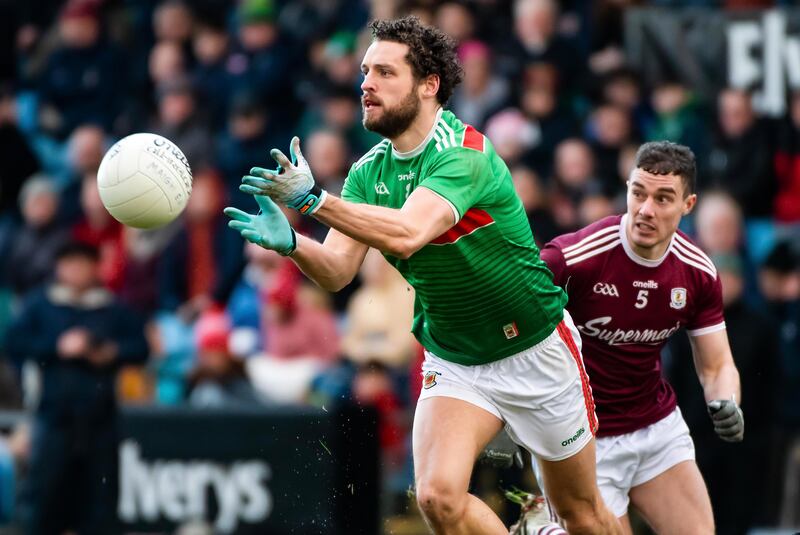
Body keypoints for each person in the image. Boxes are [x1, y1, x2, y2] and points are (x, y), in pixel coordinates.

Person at [225, 15, 619, 534]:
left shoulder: (464, 153)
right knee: (437, 497)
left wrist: (313, 201)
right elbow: (339, 271)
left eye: (385, 72)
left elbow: (409, 232)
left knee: (581, 515)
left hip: (535, 349)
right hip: (456, 357)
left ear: (429, 85)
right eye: (365, 71)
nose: (366, 82)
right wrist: (295, 244)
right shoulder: (369, 171)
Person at [496, 141, 745, 534]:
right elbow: (507, 322)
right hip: (581, 441)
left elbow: (717, 365)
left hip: (656, 427)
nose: (646, 210)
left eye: (663, 198)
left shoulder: (697, 271)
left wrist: (726, 400)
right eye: (638, 193)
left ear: (688, 205)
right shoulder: (575, 258)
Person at [4, 242, 149, 534]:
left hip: (101, 420)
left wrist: (110, 352)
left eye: (82, 264)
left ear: (96, 267)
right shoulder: (40, 305)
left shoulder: (112, 308)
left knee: (101, 501)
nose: (76, 271)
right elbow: (13, 343)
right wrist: (57, 347)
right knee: (42, 498)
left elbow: (140, 347)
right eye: (69, 264)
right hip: (53, 417)